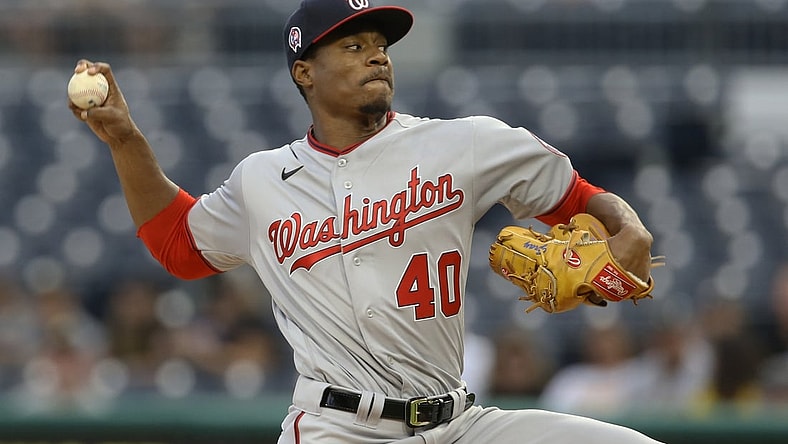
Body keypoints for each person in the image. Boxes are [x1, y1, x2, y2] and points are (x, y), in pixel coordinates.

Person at [68, 0, 661, 442]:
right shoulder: (261, 181)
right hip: (337, 427)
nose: (377, 55)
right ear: (305, 71)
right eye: (352, 46)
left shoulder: (466, 144)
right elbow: (178, 245)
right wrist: (125, 139)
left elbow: (579, 196)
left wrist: (629, 228)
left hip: (459, 423)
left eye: (380, 44)